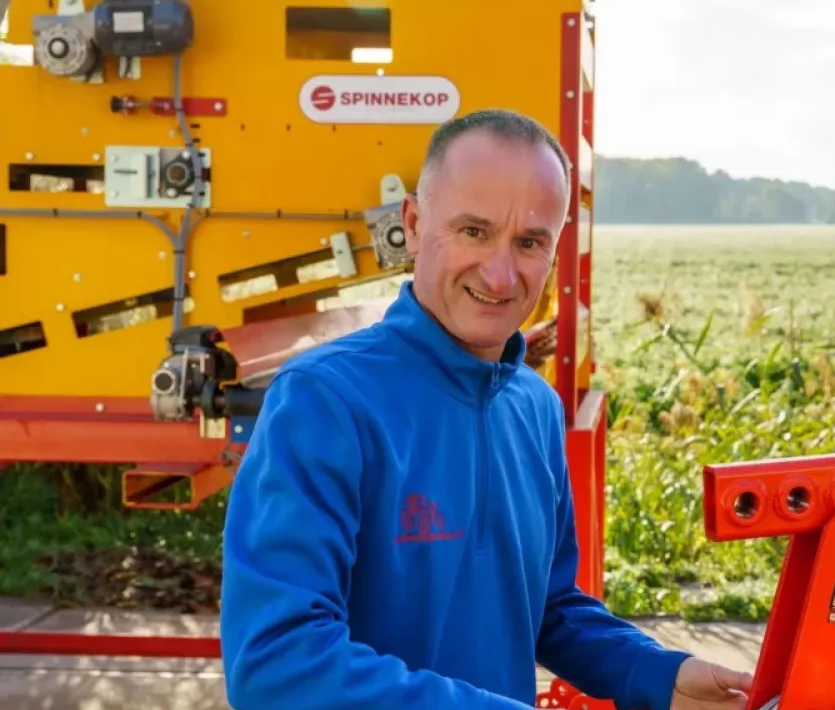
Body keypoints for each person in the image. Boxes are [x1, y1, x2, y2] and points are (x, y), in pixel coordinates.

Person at [218, 108, 754, 709]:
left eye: (529, 242)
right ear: (415, 225)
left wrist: (656, 673)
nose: (500, 274)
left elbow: (546, 606)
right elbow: (276, 664)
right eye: (473, 231)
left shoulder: (534, 406)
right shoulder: (323, 401)